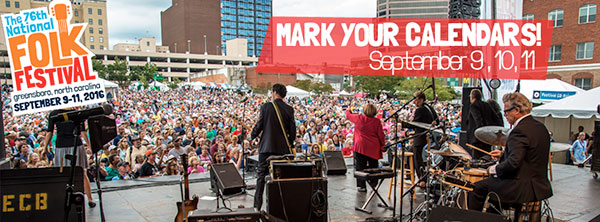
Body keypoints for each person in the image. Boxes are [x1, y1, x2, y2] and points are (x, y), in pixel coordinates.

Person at [469, 92, 553, 211]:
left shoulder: (519, 131)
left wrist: (493, 169)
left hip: (519, 186)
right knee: (492, 188)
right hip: (539, 185)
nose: (505, 115)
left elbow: (514, 163)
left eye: (506, 111)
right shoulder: (540, 127)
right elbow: (529, 155)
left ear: (517, 110)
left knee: (477, 188)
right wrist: (504, 155)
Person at [250, 83, 296, 210]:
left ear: (274, 92)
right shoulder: (289, 109)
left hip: (267, 148)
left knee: (261, 177)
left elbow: (260, 125)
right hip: (283, 150)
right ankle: (282, 207)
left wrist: (252, 136)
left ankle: (257, 207)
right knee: (281, 176)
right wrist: (290, 144)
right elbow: (292, 131)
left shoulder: (266, 107)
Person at [43, 108, 96, 208]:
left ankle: (69, 199)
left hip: (63, 145)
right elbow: (83, 132)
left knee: (67, 173)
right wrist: (89, 146)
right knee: (82, 172)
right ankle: (90, 199)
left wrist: (45, 147)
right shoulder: (76, 113)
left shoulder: (55, 113)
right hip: (74, 144)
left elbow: (49, 131)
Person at [345, 103, 385, 192]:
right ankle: (374, 184)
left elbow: (348, 115)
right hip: (373, 147)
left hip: (361, 146)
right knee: (373, 166)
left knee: (360, 167)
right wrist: (382, 145)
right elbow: (381, 135)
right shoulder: (377, 122)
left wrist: (348, 109)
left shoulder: (359, 118)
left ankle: (361, 186)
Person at [402, 91, 437, 186]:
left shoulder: (420, 110)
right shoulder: (429, 108)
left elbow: (414, 124)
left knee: (417, 156)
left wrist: (402, 123)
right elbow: (436, 120)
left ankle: (422, 179)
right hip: (428, 135)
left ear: (421, 100)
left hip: (421, 136)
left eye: (415, 100)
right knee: (410, 150)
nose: (414, 102)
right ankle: (410, 175)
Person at [465, 89, 501, 159]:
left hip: (478, 138)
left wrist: (480, 134)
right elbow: (497, 119)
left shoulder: (474, 106)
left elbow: (478, 120)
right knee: (486, 158)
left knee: (477, 160)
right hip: (488, 137)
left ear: (472, 97)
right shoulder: (487, 105)